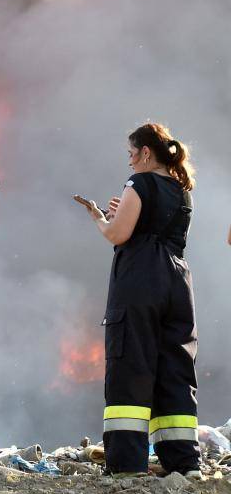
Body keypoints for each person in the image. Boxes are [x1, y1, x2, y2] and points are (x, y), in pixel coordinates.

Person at [79, 122, 199, 475]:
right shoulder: (182, 188)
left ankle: (126, 464)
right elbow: (157, 226)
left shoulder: (139, 183)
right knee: (174, 368)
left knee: (131, 364)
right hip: (178, 283)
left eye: (132, 155)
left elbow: (118, 234)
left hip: (141, 281)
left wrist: (101, 218)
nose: (130, 163)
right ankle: (184, 462)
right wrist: (128, 212)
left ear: (146, 153)